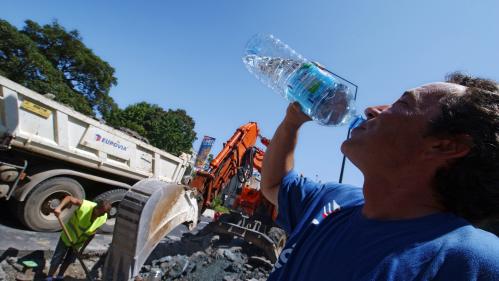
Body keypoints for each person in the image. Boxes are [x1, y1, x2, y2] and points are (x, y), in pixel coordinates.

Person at [261, 72, 499, 280]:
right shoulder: (335, 200)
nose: (370, 110)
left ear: (444, 146)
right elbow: (274, 184)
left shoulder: (472, 261)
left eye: (403, 104)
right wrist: (292, 122)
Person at [46, 196, 111, 281]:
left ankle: (60, 276)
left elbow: (91, 234)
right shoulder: (86, 206)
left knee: (69, 260)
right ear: (96, 208)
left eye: (102, 214)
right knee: (57, 258)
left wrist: (82, 250)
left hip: (78, 243)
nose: (99, 216)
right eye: (99, 213)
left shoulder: (103, 217)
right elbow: (69, 198)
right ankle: (49, 277)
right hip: (67, 236)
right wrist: (59, 208)